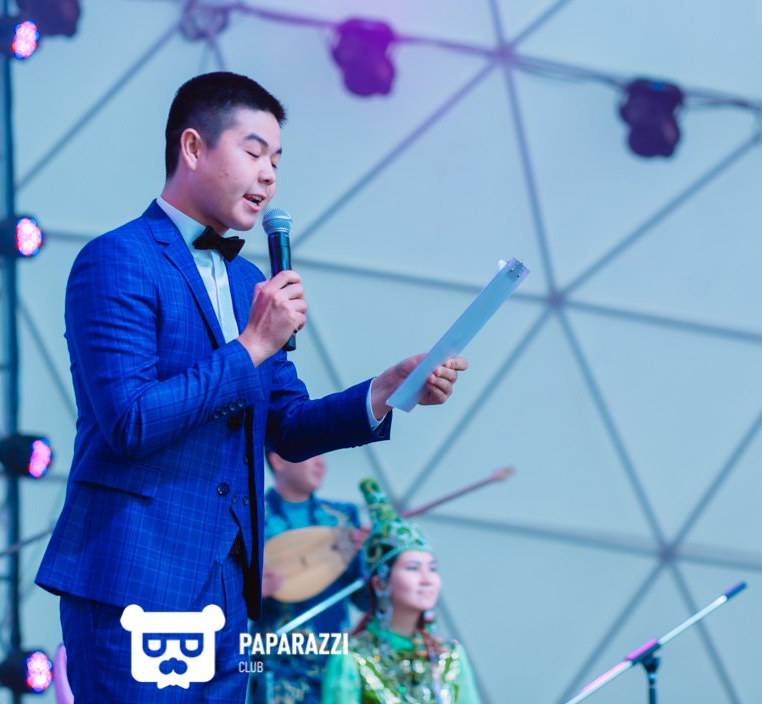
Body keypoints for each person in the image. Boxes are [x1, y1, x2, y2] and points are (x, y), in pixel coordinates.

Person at [35, 71, 467, 701]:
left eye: (277, 161)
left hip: (228, 591)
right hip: (138, 577)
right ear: (192, 148)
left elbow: (286, 425)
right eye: (254, 152)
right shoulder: (118, 259)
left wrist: (383, 390)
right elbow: (130, 420)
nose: (268, 176)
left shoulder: (246, 284)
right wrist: (252, 346)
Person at [321, 479, 480, 704]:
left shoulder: (450, 657)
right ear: (380, 583)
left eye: (432, 569)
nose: (427, 579)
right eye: (413, 568)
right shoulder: (352, 658)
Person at [248, 452, 369, 704]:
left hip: (334, 661)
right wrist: (249, 593)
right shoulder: (251, 516)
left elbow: (364, 599)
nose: (321, 462)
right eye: (313, 453)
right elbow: (224, 598)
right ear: (278, 460)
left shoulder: (343, 517)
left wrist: (370, 554)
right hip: (276, 663)